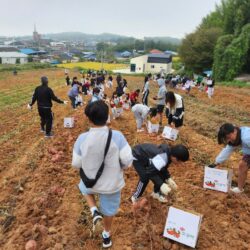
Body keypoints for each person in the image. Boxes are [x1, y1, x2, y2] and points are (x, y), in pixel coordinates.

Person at [72, 100, 133, 248]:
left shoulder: (82, 138)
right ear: (107, 117)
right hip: (111, 185)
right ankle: (106, 235)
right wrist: (121, 167)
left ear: (88, 119)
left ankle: (94, 211)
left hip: (91, 183)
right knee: (109, 210)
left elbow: (76, 164)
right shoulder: (117, 136)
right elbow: (127, 161)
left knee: (83, 187)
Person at [208, 123, 250, 193]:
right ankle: (239, 189)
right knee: (243, 165)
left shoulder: (247, 137)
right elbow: (227, 150)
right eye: (226, 138)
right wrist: (216, 163)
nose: (228, 140)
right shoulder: (235, 138)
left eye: (228, 137)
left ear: (234, 131)